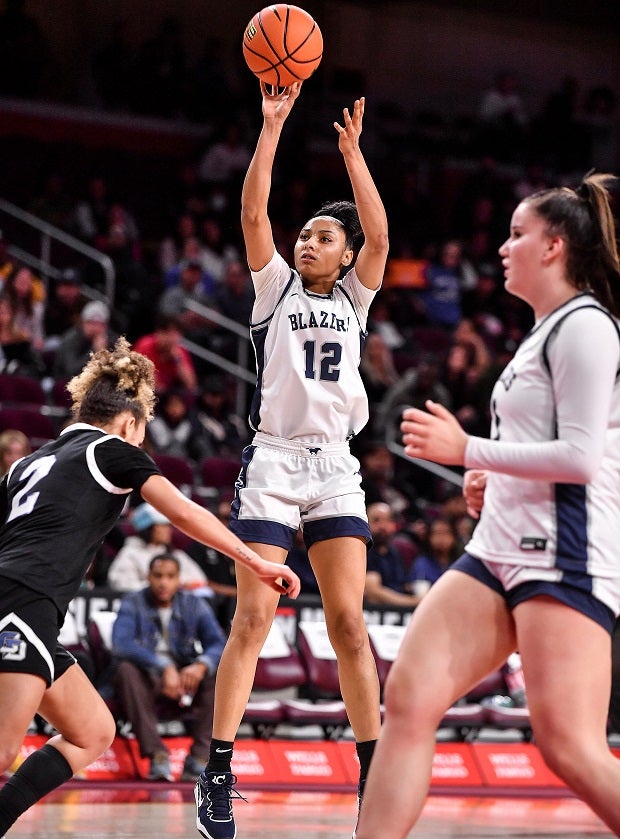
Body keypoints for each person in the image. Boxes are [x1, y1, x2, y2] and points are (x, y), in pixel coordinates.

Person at [356, 172, 620, 838]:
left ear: (554, 246)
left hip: (564, 553)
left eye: (517, 234)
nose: (504, 248)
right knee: (409, 700)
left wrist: (470, 449)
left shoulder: (587, 327)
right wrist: (492, 480)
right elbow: (541, 450)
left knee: (569, 747)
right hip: (498, 547)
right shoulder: (543, 331)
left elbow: (583, 458)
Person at [0, 336, 300, 837]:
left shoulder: (28, 462)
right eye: (142, 433)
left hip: (26, 605)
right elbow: (182, 511)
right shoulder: (114, 450)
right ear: (130, 421)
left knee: (92, 730)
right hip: (23, 603)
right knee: (4, 749)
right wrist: (254, 561)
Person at [193, 81, 389, 839]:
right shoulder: (274, 289)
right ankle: (218, 768)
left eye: (321, 236)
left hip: (335, 464)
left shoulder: (356, 299)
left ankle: (375, 772)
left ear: (343, 258)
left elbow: (378, 235)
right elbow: (252, 213)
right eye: (303, 233)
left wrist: (353, 157)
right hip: (274, 463)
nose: (307, 241)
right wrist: (272, 127)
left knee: (348, 623)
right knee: (254, 618)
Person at [112, 553, 226, 783]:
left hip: (185, 677)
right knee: (125, 670)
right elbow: (121, 644)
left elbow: (218, 643)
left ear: (178, 579)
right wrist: (163, 666)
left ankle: (199, 757)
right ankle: (157, 754)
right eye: (158, 576)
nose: (164, 582)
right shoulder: (133, 602)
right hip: (148, 676)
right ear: (148, 577)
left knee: (218, 675)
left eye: (170, 577)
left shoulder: (193, 603)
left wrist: (201, 665)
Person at [107, 502, 208, 592]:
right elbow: (120, 584)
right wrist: (156, 586)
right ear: (148, 528)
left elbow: (200, 579)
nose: (168, 530)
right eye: (162, 526)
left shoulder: (173, 553)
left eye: (168, 526)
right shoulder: (130, 553)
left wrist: (177, 584)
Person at [364, 502, 422, 607]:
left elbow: (403, 584)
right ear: (366, 523)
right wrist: (412, 602)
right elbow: (374, 592)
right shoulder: (365, 551)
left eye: (387, 520)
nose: (383, 526)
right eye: (377, 520)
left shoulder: (395, 552)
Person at [53, 300, 118, 380]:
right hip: (67, 382)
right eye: (91, 323)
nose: (95, 328)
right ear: (82, 323)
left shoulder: (111, 339)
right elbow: (71, 371)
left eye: (100, 324)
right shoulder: (71, 338)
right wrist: (95, 351)